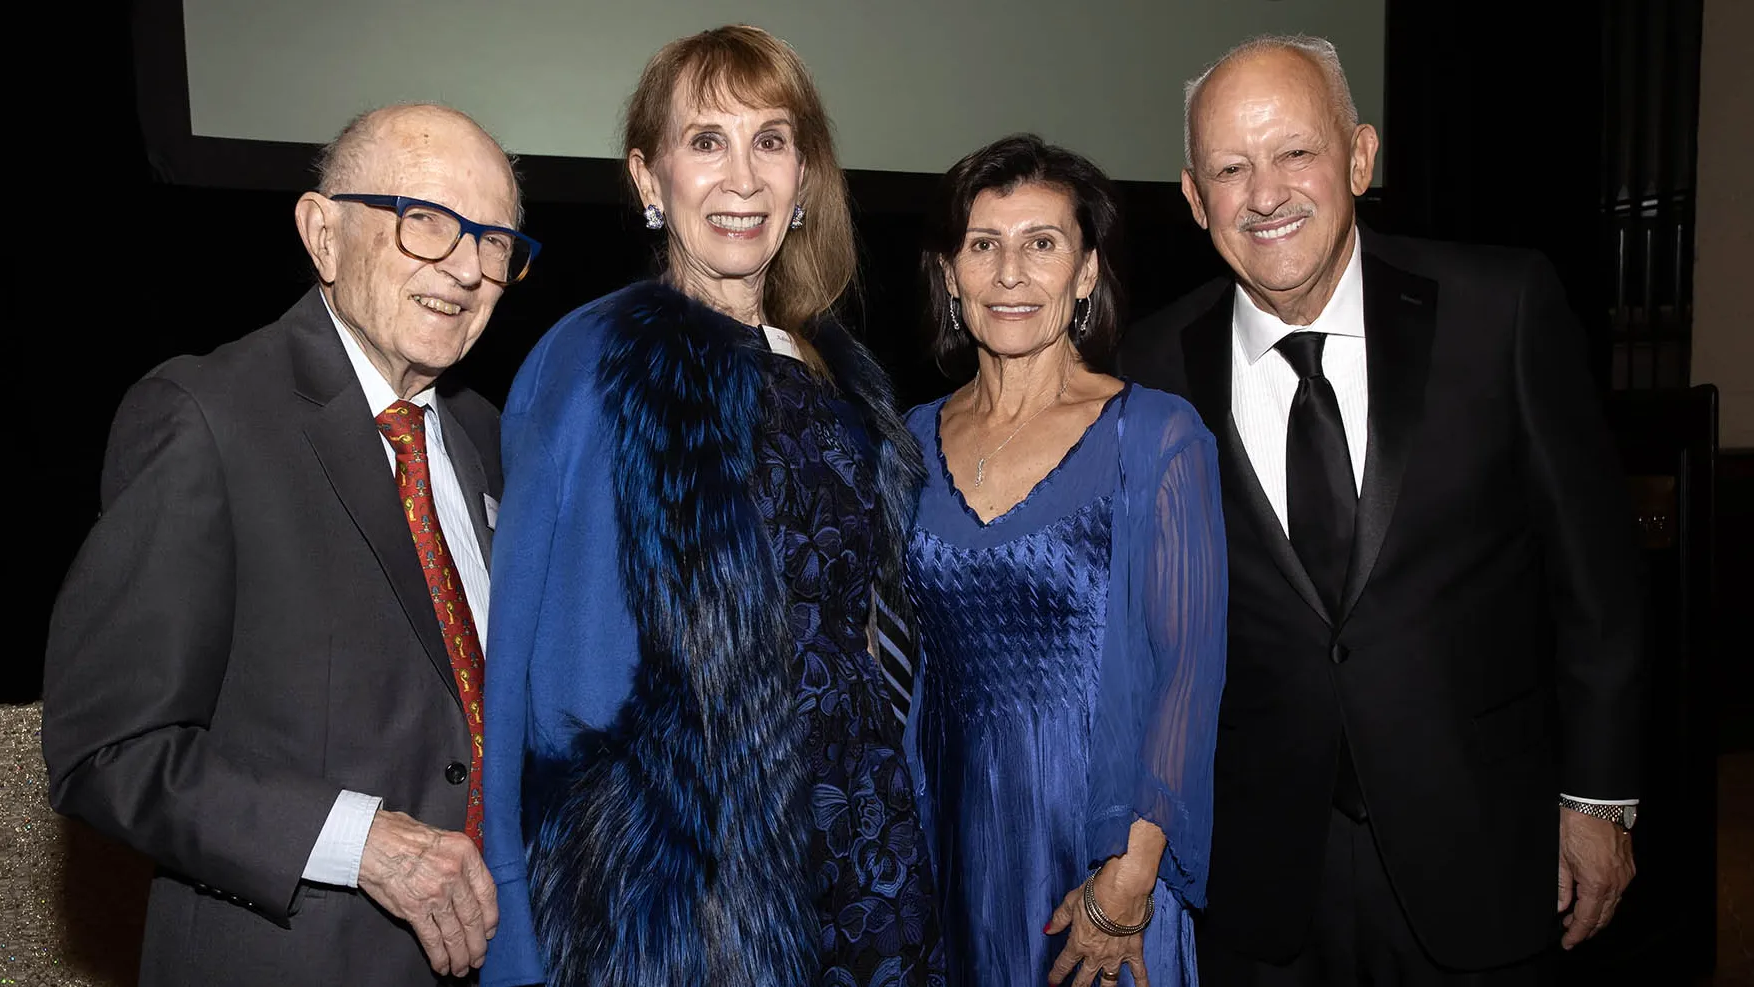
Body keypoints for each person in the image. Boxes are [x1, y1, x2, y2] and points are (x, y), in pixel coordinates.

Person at [1119, 35, 1646, 985]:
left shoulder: (1501, 307)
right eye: (1230, 169)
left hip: (1482, 848)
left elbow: (1597, 583)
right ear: (1195, 201)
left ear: (1359, 157)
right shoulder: (1149, 367)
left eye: (1295, 153)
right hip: (1256, 880)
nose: (1265, 194)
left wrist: (1598, 801)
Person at [480, 25, 943, 987]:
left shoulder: (842, 378)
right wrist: (517, 916)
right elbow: (529, 660)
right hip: (686, 896)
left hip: (863, 849)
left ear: (804, 175)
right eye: (707, 141)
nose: (742, 177)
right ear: (649, 180)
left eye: (771, 140)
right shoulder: (598, 362)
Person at [42, 103, 540, 984]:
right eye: (425, 221)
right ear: (322, 233)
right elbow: (107, 749)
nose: (464, 267)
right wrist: (362, 841)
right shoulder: (209, 415)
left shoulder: (494, 440)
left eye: (495, 241)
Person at [903, 134, 1227, 987]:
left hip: (1097, 843)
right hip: (946, 836)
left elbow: (1186, 678)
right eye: (984, 245)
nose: (1010, 273)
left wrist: (1129, 878)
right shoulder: (901, 441)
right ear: (949, 272)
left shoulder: (1155, 437)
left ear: (1085, 274)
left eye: (1041, 244)